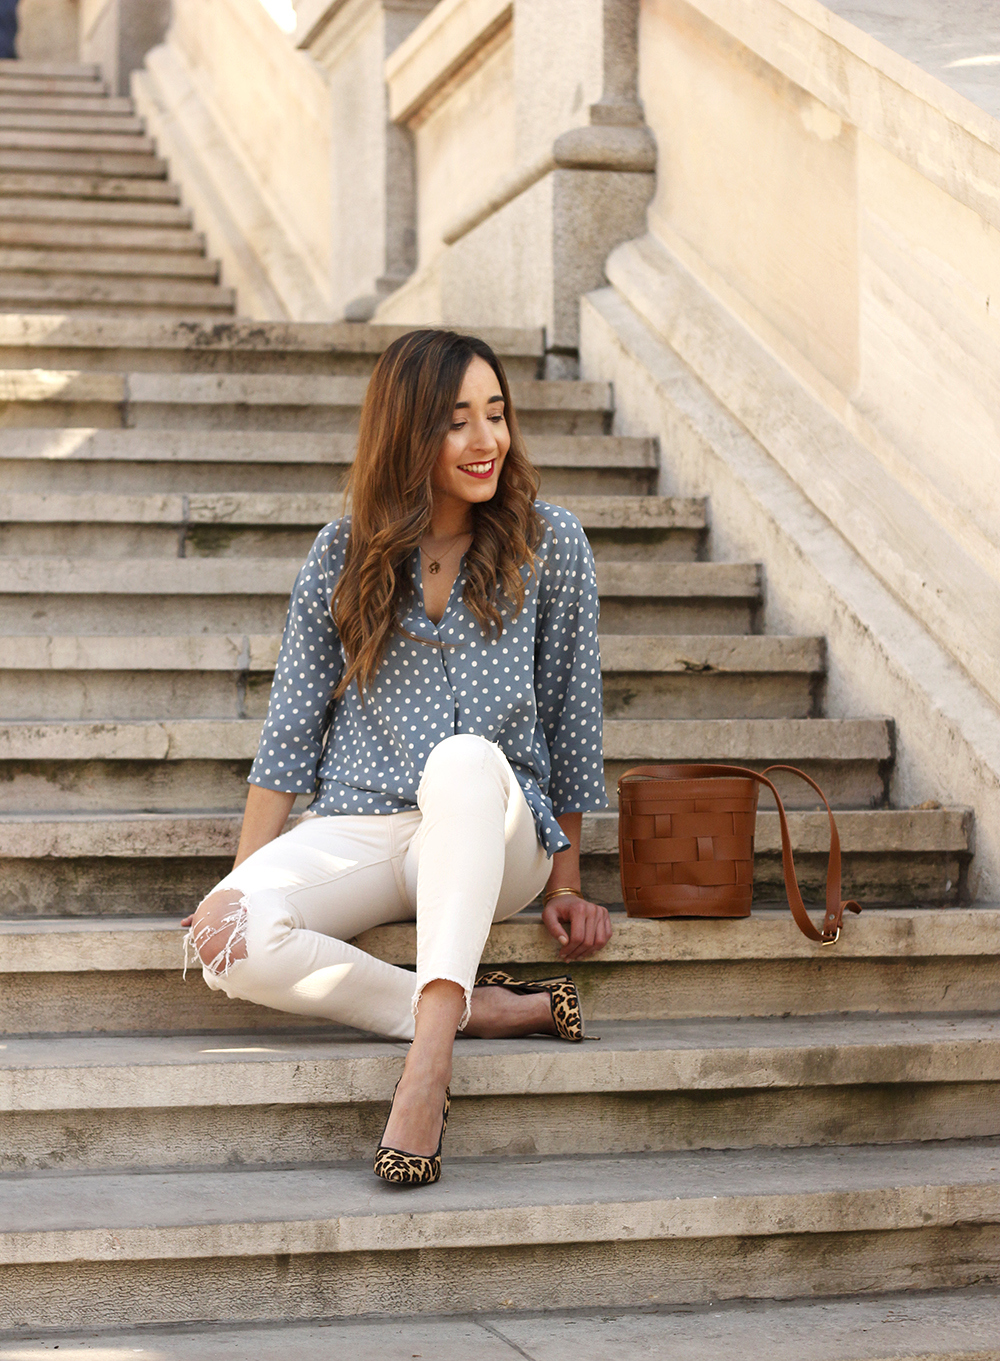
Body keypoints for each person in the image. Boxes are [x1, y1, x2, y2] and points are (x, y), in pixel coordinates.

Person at [182, 328, 612, 1185]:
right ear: (407, 430)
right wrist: (239, 886)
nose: (487, 440)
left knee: (459, 759)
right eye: (457, 421)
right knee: (221, 941)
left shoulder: (550, 544)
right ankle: (467, 1010)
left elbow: (572, 723)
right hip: (364, 821)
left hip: (496, 826)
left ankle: (426, 1073)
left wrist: (566, 882)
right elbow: (289, 737)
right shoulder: (341, 556)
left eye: (497, 415)